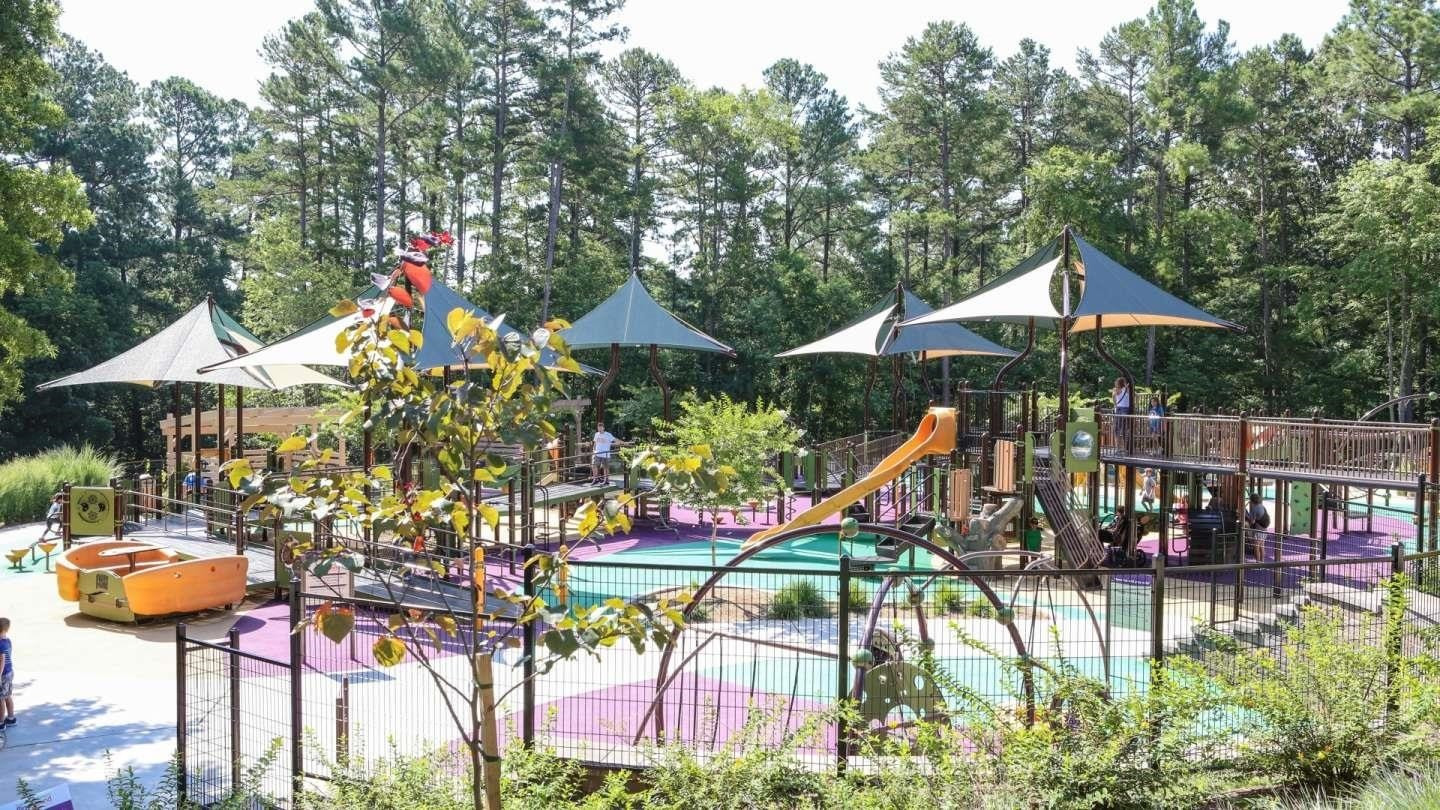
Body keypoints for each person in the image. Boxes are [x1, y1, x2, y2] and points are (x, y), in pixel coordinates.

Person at [1245, 493, 1271, 559]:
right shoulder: (1262, 506)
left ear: (1252, 500)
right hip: (1264, 529)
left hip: (1258, 530)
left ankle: (1258, 563)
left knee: (1256, 547)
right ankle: (1262, 562)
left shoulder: (1255, 508)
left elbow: (1252, 521)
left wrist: (1246, 517)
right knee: (1262, 546)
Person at [0, 617, 13, 728]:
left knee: (1, 698)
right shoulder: (7, 641)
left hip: (3, 674)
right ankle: (11, 718)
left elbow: (2, 660)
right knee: (7, 695)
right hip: (9, 672)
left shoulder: (0, 644)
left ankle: (1, 722)